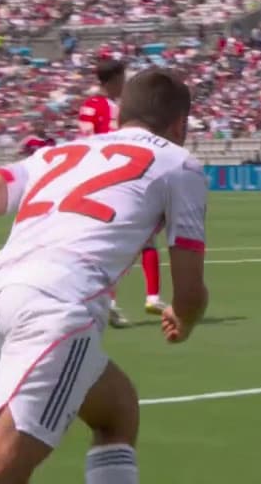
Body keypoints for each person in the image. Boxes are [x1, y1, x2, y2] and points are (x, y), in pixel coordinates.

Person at [0, 68, 208, 483]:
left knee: (117, 408)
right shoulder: (180, 164)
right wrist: (184, 317)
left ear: (121, 115)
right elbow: (190, 290)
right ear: (180, 123)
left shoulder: (57, 153)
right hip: (54, 313)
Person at [79, 59, 167, 328]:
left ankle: (112, 302)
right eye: (123, 77)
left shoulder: (86, 107)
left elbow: (85, 139)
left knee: (113, 242)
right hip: (121, 177)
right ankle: (150, 297)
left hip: (92, 178)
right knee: (146, 238)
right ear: (115, 79)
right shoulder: (118, 108)